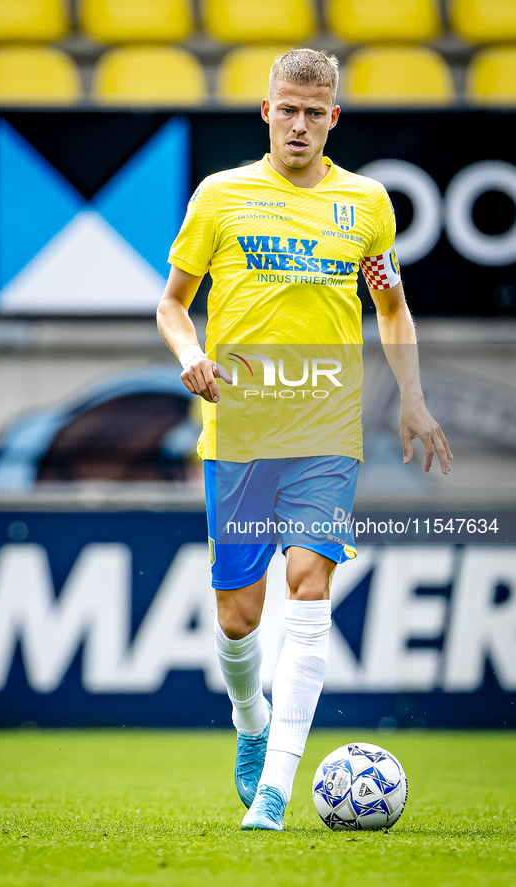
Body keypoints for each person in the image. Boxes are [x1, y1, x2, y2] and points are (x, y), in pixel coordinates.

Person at [156, 48, 452, 831]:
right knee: (237, 617)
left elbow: (390, 308)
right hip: (242, 429)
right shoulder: (221, 197)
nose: (298, 124)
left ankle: (276, 792)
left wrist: (413, 399)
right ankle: (249, 720)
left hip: (326, 428)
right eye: (285, 109)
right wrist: (190, 355)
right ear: (265, 111)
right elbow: (172, 305)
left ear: (333, 119)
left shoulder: (367, 205)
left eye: (312, 112)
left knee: (310, 583)